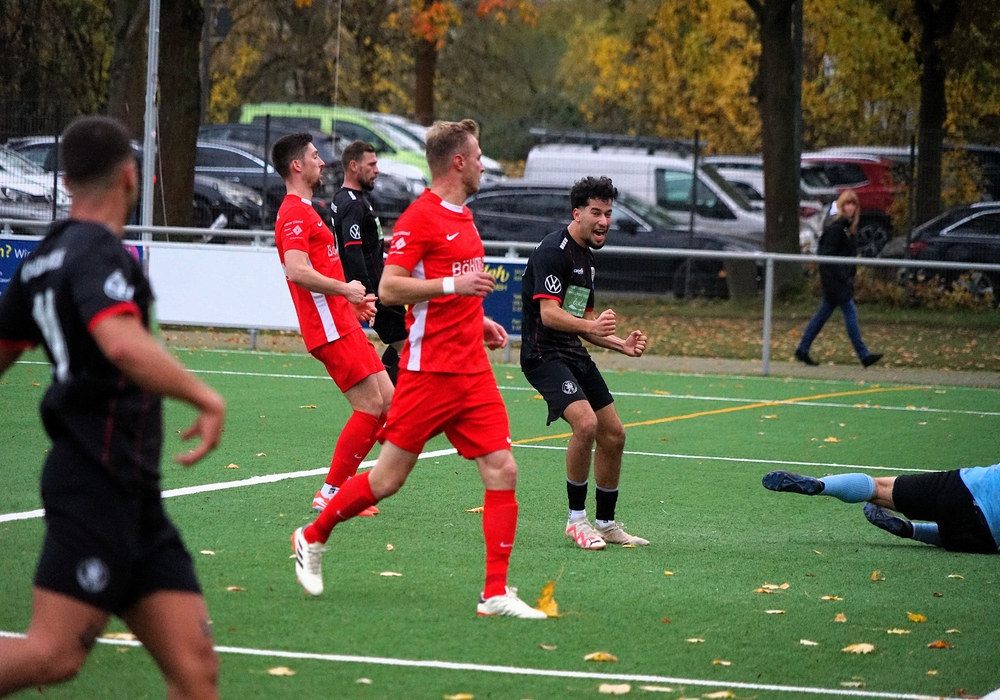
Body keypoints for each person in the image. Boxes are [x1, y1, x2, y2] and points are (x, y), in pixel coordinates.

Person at [0, 116, 226, 698]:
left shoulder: (41, 258)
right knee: (53, 654)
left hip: (132, 493)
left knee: (196, 668)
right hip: (94, 483)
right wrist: (203, 395)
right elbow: (120, 341)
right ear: (130, 176)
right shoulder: (97, 250)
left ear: (66, 180)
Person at [291, 119, 546, 619]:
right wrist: (454, 289)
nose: (483, 165)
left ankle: (495, 592)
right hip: (429, 372)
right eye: (478, 157)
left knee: (503, 468)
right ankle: (313, 535)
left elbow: (457, 289)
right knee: (387, 479)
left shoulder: (465, 217)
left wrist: (478, 322)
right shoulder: (420, 218)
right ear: (458, 162)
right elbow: (390, 288)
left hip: (472, 372)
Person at [520, 176, 650, 550]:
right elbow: (550, 315)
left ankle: (606, 523)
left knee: (614, 434)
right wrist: (591, 327)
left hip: (572, 352)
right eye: (596, 212)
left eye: (608, 213)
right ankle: (576, 521)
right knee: (587, 424)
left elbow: (583, 322)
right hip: (543, 355)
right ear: (577, 213)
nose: (604, 221)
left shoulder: (587, 259)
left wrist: (620, 345)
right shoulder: (553, 251)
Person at [271, 133, 395, 516]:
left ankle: (360, 485)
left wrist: (349, 303)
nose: (322, 161)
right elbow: (297, 270)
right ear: (297, 166)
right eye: (314, 156)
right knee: (370, 406)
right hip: (328, 328)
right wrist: (346, 289)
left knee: (388, 402)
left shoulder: (308, 210)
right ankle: (332, 493)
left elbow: (319, 268)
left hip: (341, 320)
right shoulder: (294, 212)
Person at [762, 466, 999, 554]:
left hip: (970, 487)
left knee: (877, 489)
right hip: (985, 538)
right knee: (960, 535)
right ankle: (910, 530)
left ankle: (822, 485)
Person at [332, 140, 407, 384]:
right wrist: (368, 294)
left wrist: (380, 242)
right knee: (409, 346)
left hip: (377, 288)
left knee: (403, 344)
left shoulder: (346, 198)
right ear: (354, 166)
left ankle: (387, 393)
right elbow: (352, 251)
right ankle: (391, 398)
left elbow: (359, 242)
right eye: (371, 164)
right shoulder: (354, 204)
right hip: (376, 291)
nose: (377, 170)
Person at [795, 189, 883, 368]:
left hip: (840, 279)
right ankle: (864, 355)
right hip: (835, 280)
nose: (850, 208)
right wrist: (842, 276)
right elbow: (827, 255)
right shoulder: (837, 228)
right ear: (842, 206)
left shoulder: (847, 228)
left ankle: (802, 349)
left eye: (853, 204)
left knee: (822, 316)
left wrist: (848, 274)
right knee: (850, 313)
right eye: (847, 204)